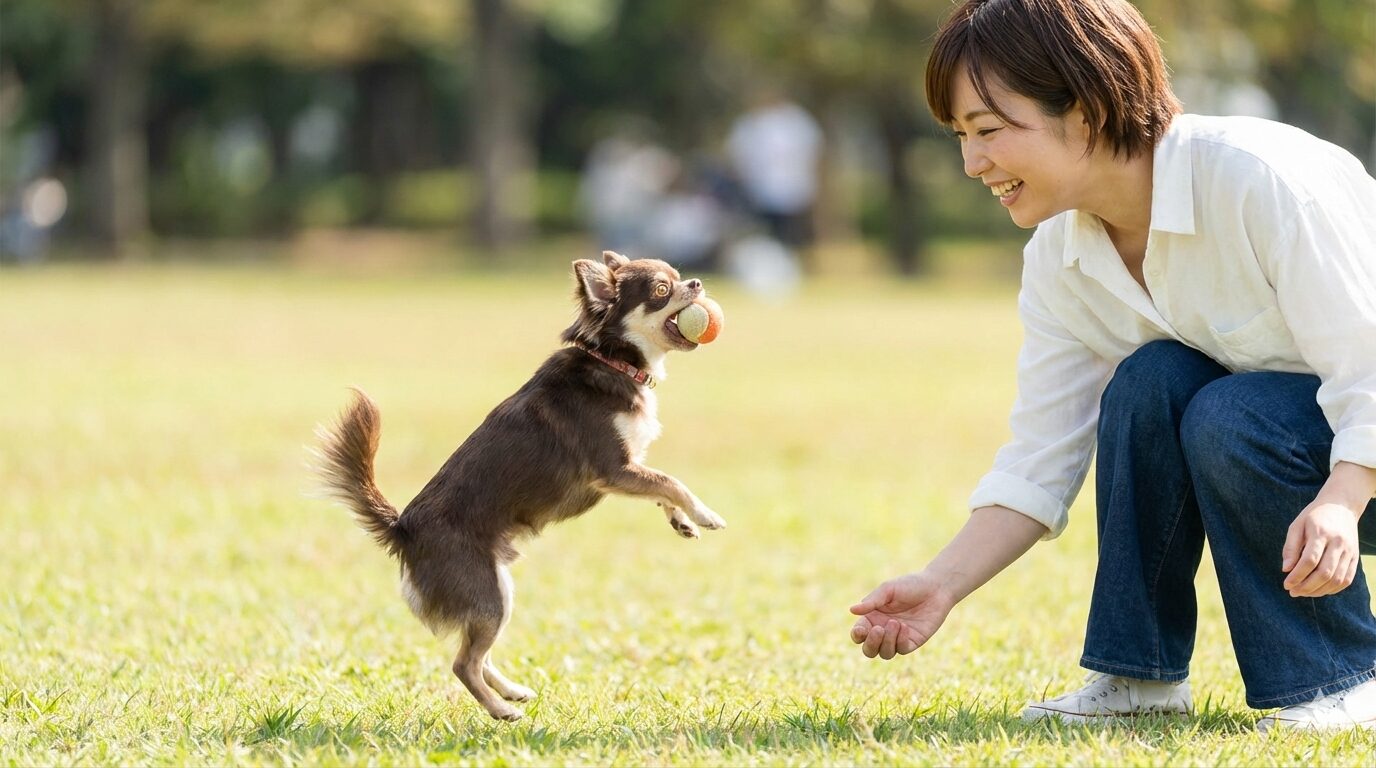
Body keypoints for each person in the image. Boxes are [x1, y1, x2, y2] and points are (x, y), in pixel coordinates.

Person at [849, 0, 1376, 732]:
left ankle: (1343, 680)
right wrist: (940, 584)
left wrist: (1344, 499)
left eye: (990, 131)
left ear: (1089, 110)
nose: (973, 164)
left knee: (1231, 410)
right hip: (1303, 461)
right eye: (961, 138)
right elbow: (1042, 456)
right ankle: (1139, 679)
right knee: (1152, 381)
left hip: (1353, 468)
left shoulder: (1262, 181)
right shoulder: (1062, 258)